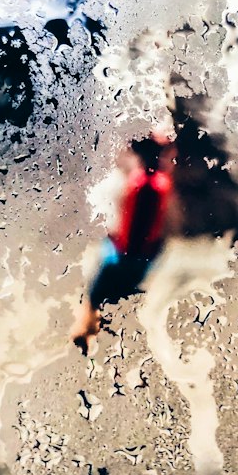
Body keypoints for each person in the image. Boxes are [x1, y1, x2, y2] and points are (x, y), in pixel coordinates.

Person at [72, 135, 175, 354]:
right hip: (136, 254)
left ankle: (87, 331)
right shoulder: (157, 183)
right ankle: (91, 329)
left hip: (126, 254)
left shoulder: (146, 184)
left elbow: (137, 225)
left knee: (95, 294)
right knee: (100, 293)